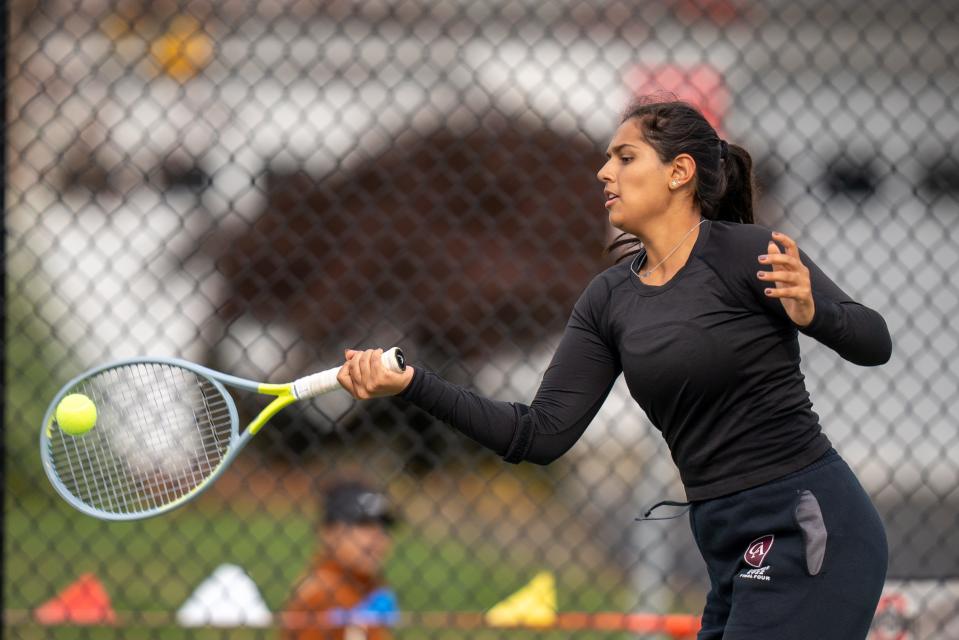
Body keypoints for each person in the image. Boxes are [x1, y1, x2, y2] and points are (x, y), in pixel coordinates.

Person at [336, 98, 892, 640]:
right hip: (728, 544)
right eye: (608, 158)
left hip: (807, 525)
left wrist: (815, 313)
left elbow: (875, 340)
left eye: (625, 157)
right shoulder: (609, 299)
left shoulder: (751, 253)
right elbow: (537, 434)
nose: (605, 172)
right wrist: (412, 383)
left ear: (679, 172)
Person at [282, 479, 398, 640]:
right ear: (329, 533)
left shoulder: (373, 589)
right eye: (363, 524)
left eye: (384, 526)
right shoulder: (319, 595)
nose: (377, 536)